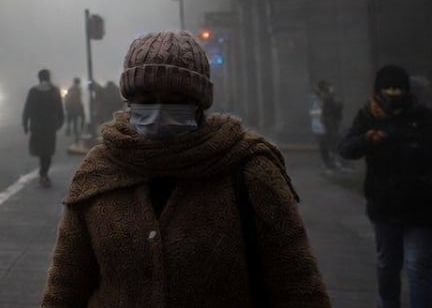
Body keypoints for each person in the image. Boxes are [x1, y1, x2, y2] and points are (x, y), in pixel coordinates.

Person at [42, 31, 331, 307]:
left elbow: (298, 287)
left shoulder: (250, 171)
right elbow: (65, 287)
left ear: (199, 102)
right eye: (146, 97)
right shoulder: (98, 171)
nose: (158, 108)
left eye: (175, 98)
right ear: (130, 101)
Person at [339, 65, 432, 308]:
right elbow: (347, 148)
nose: (393, 94)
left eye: (398, 89)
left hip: (420, 206)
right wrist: (367, 139)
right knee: (388, 266)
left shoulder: (422, 117)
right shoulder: (369, 115)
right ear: (378, 91)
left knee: (418, 266)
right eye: (388, 89)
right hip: (384, 205)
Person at [23, 69, 64, 187]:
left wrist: (25, 124)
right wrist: (60, 122)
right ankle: (44, 173)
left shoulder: (33, 91)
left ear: (39, 78)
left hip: (36, 126)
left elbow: (27, 109)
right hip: (50, 127)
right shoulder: (54, 91)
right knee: (48, 151)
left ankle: (43, 172)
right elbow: (60, 109)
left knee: (41, 151)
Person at [310, 79, 344, 173]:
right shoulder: (316, 99)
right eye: (328, 88)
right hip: (320, 126)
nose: (330, 90)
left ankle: (335, 163)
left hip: (329, 125)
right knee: (324, 145)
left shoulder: (330, 98)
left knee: (334, 143)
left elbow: (337, 110)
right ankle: (328, 165)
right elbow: (316, 112)